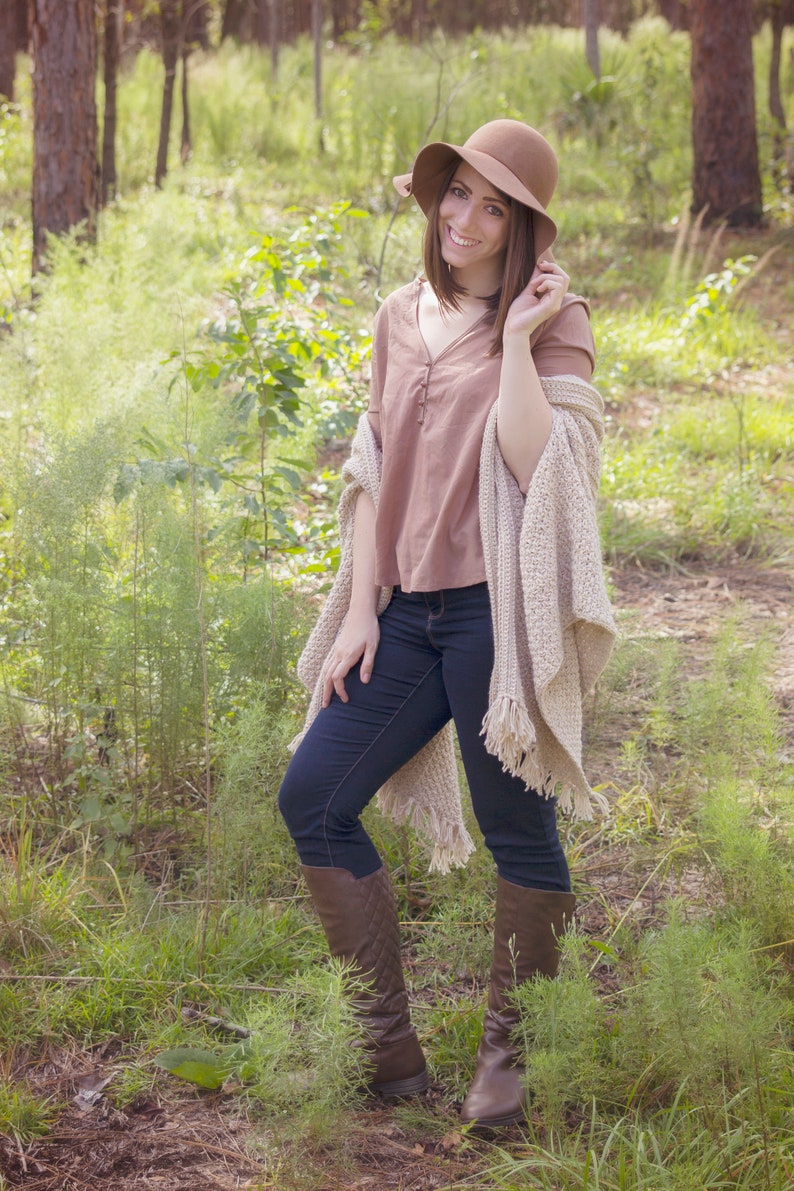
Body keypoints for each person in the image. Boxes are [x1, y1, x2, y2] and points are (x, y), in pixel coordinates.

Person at [278, 119, 617, 1128]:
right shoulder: (397, 312)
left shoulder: (555, 320)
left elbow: (536, 463)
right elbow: (373, 468)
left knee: (518, 830)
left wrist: (513, 338)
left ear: (525, 230)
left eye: (492, 206)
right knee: (313, 795)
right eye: (454, 195)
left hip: (491, 619)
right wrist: (359, 612)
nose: (463, 219)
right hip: (406, 617)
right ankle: (386, 1049)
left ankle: (504, 1067)